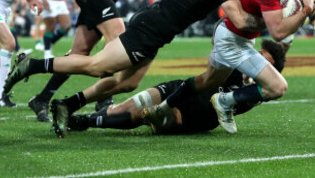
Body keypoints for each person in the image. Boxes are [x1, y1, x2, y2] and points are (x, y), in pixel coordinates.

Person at [4, 0, 264, 137]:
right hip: (150, 30)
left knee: (127, 84)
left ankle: (68, 105)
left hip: (154, 24)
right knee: (96, 66)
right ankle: (32, 65)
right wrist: (271, 15)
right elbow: (239, 18)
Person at [146, 0, 315, 134]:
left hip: (235, 35)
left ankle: (161, 109)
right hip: (232, 39)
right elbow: (278, 32)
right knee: (277, 87)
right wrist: (306, 10)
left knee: (207, 81)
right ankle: (224, 101)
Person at [66, 40, 285, 135]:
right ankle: (106, 111)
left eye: (264, 64)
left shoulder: (255, 94)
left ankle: (86, 122)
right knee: (121, 109)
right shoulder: (235, 62)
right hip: (179, 89)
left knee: (142, 116)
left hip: (194, 115)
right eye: (258, 57)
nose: (256, 64)